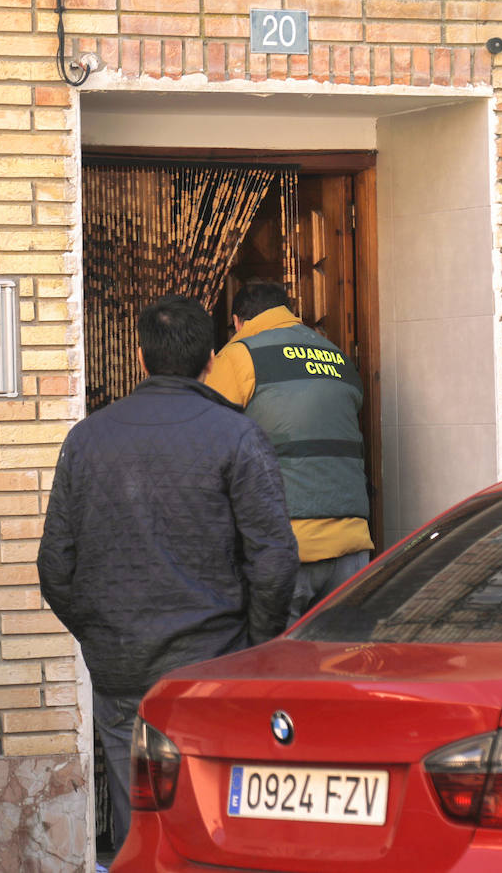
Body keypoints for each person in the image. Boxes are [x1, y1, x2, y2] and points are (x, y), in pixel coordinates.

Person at [38, 294, 298, 857]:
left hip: (123, 671)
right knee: (217, 831)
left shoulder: (88, 439)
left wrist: (101, 635)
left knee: (143, 836)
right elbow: (274, 560)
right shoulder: (236, 435)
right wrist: (255, 646)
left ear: (139, 357)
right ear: (211, 358)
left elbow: (56, 566)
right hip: (213, 667)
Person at [205, 280, 373, 622]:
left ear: (238, 321)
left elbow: (208, 441)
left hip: (285, 548)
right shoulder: (337, 356)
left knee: (279, 669)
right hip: (353, 548)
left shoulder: (238, 356)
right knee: (336, 666)